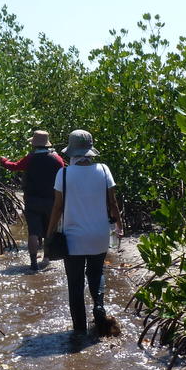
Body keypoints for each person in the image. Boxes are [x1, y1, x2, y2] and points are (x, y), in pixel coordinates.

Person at [45, 129, 123, 334]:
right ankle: (99, 307)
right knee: (96, 274)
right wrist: (119, 225)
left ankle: (79, 331)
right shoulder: (104, 170)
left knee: (75, 285)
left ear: (71, 152)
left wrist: (50, 233)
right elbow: (112, 203)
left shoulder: (63, 174)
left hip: (73, 239)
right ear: (90, 150)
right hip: (99, 236)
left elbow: (57, 207)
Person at [0, 130, 65, 270]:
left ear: (34, 144)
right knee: (49, 230)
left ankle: (33, 263)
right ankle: (46, 258)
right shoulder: (57, 159)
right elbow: (64, 174)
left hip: (32, 200)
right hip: (51, 201)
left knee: (33, 232)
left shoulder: (30, 158)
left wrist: (3, 160)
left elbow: (14, 166)